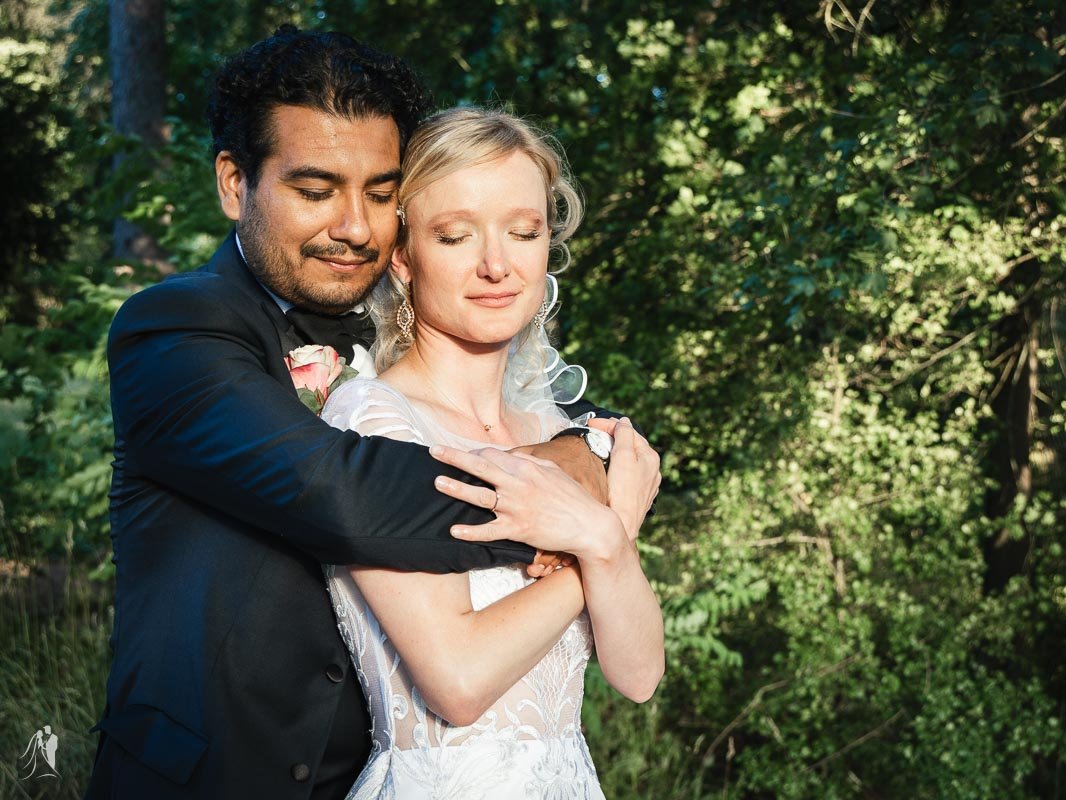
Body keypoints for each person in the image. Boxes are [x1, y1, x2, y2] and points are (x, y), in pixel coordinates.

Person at [85, 28, 645, 800]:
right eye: (316, 191)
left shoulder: (399, 320)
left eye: (381, 194)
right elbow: (343, 494)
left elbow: (569, 417)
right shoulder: (174, 329)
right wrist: (572, 495)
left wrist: (592, 450)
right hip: (212, 777)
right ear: (233, 182)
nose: (355, 227)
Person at [320, 106, 664, 799]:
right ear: (404, 256)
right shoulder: (375, 422)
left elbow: (638, 675)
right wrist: (607, 535)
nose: (497, 265)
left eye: (524, 230)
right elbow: (459, 682)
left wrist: (602, 548)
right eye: (455, 235)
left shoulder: (553, 425)